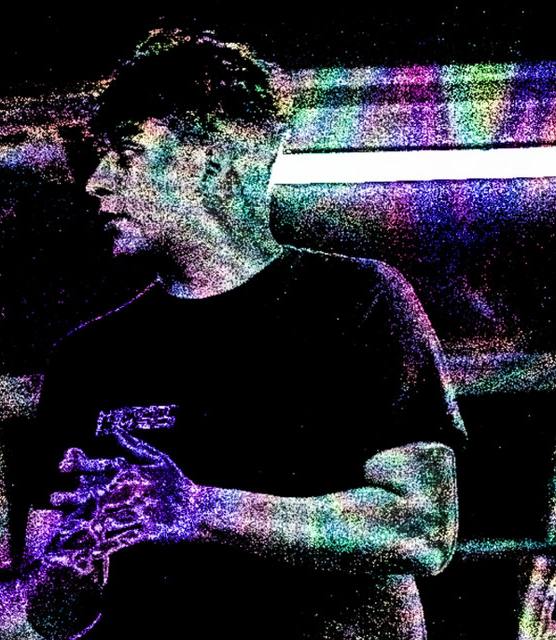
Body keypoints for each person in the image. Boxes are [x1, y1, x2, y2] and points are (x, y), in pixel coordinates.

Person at [25, 28, 467, 640]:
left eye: (125, 154)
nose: (95, 182)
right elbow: (47, 612)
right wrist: (70, 566)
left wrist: (196, 507)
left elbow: (419, 530)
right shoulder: (87, 358)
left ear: (213, 161)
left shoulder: (356, 302)